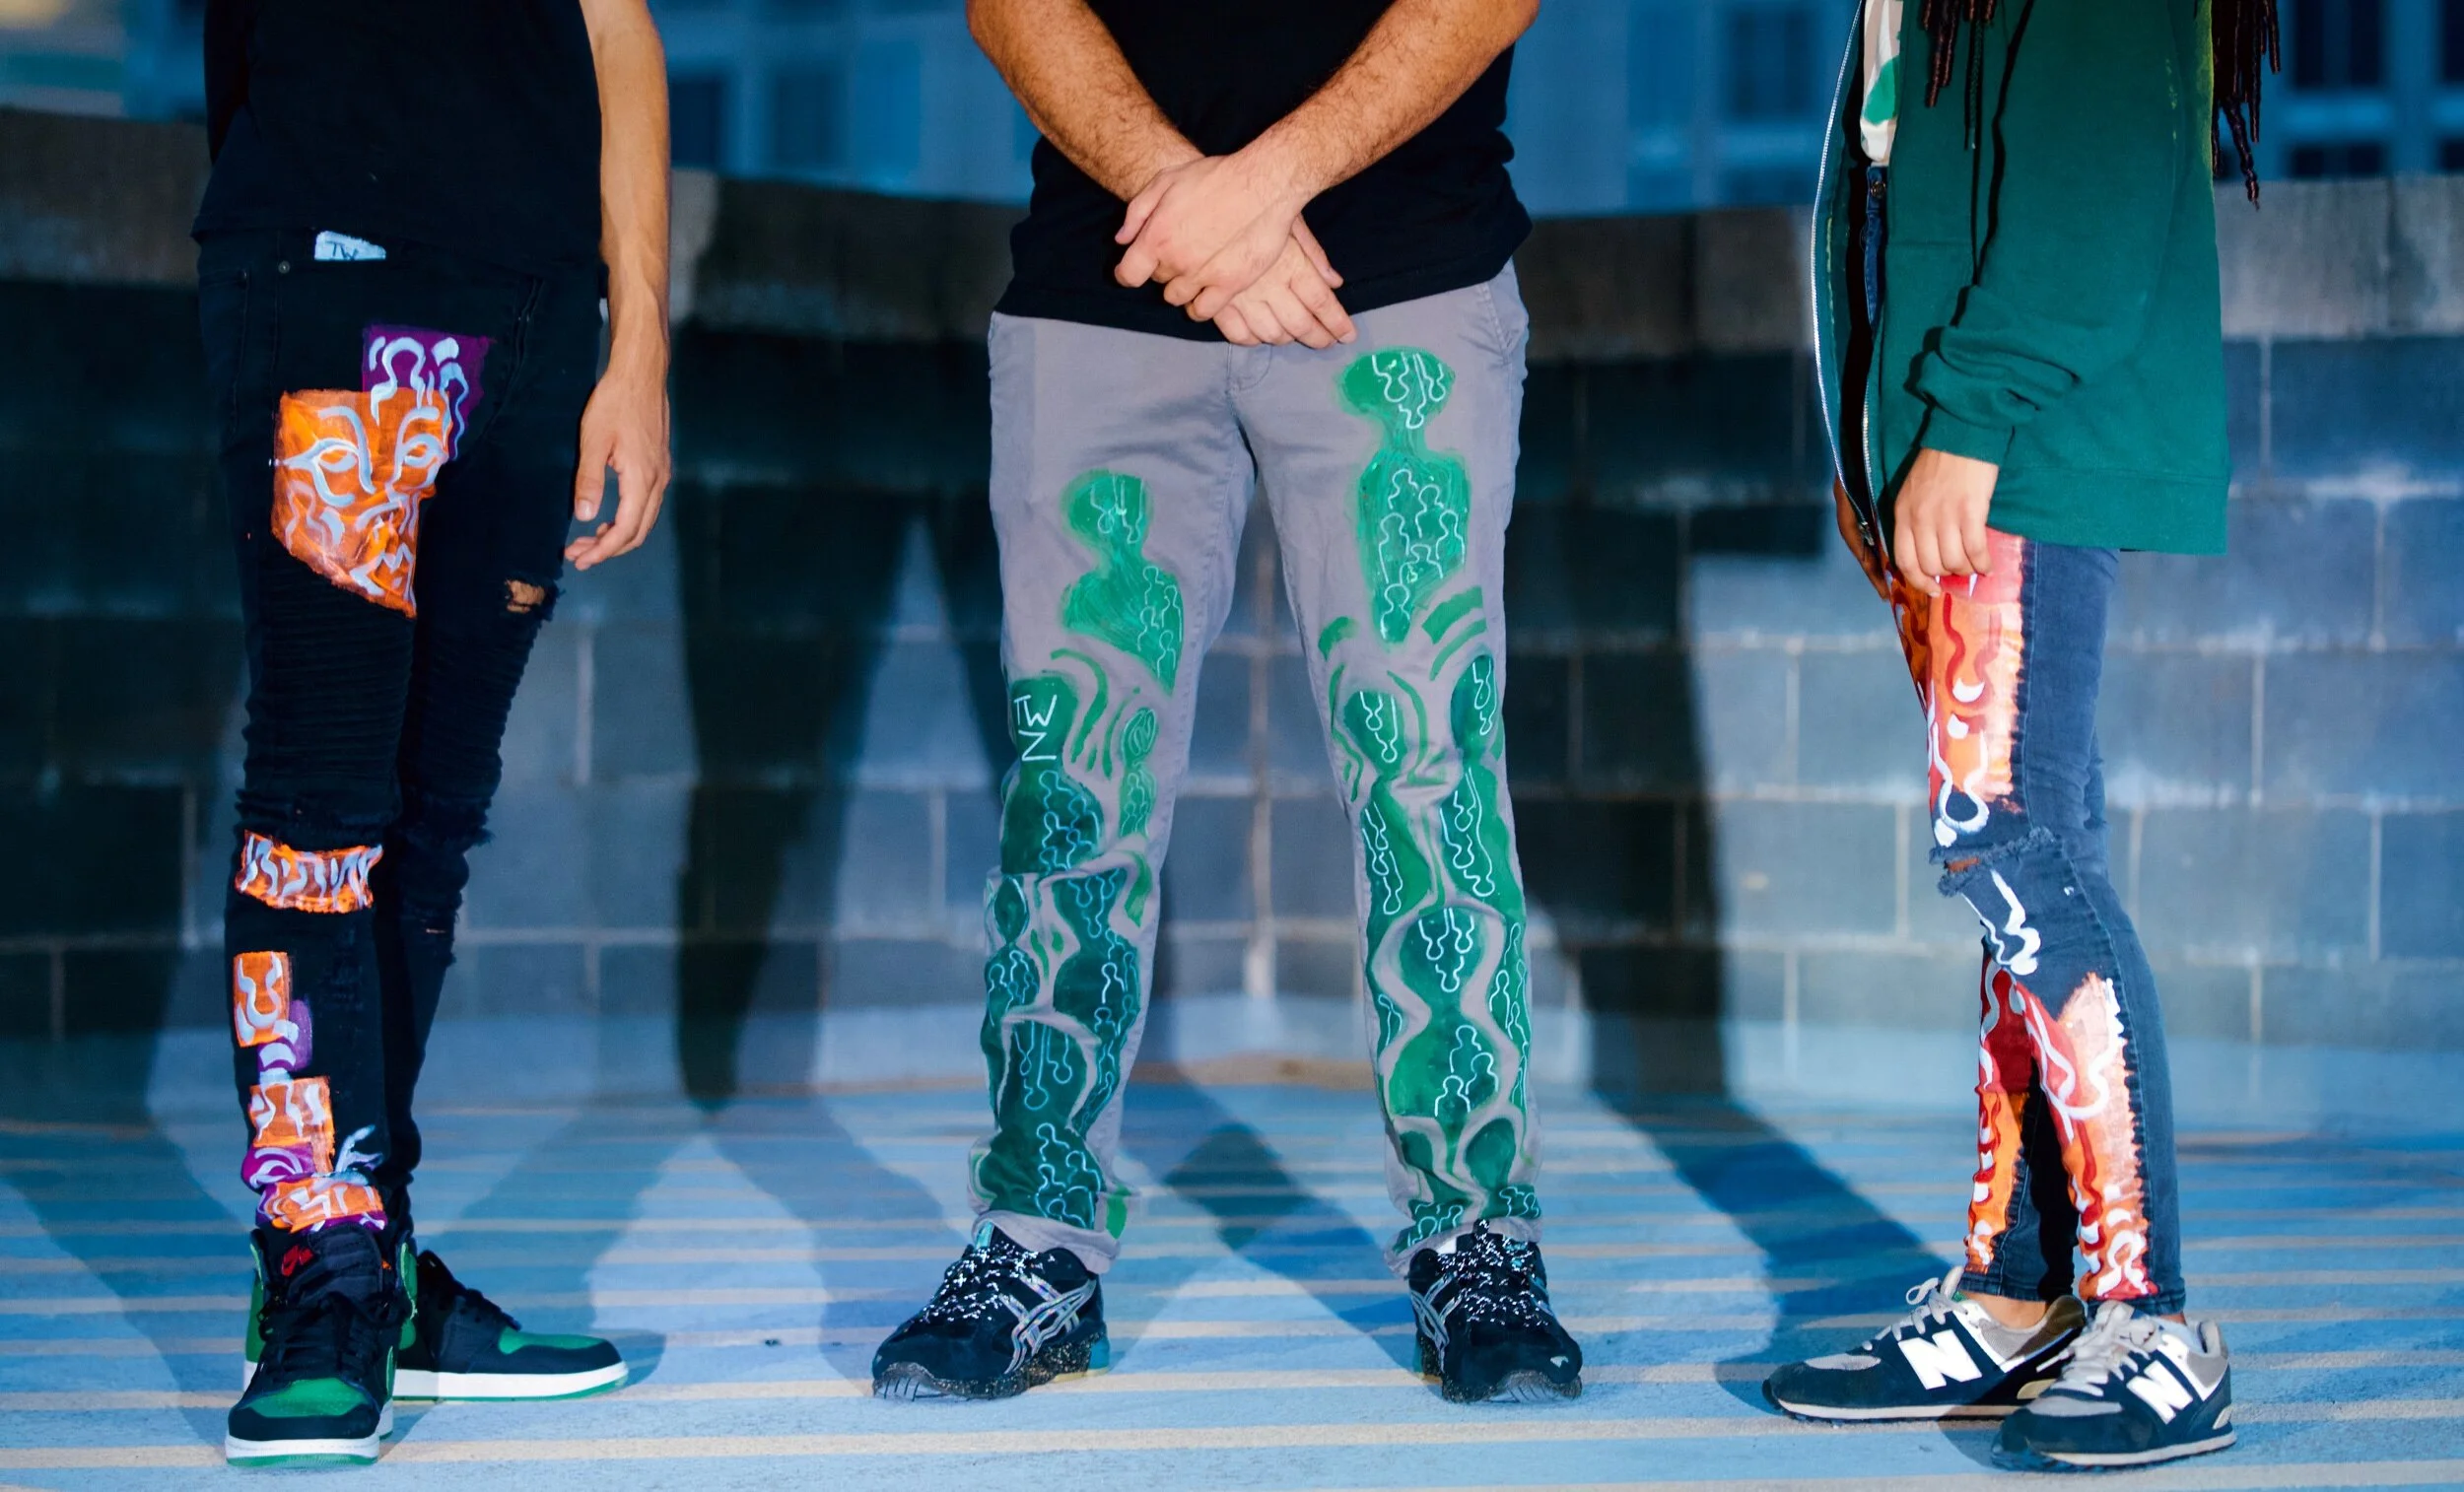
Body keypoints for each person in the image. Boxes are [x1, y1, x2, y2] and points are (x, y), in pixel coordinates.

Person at [869, 0, 1583, 1407]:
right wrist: (1181, 201)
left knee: (1428, 767)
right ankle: (1038, 1239)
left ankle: (1477, 1232)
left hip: (1405, 279)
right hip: (1102, 285)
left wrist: (1253, 193)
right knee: (1068, 790)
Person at [1762, 0, 2275, 1472]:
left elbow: (2098, 165)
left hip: (2011, 439)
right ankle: (2021, 1290)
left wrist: (1972, 416)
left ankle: (2149, 1314)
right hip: (1956, 432)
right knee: (2020, 860)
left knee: (2011, 843)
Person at [194, 0, 673, 1465]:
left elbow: (619, 27)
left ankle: (373, 1256)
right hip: (334, 278)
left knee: (430, 821)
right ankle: (316, 1273)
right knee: (320, 800)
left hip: (533, 313)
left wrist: (639, 346)